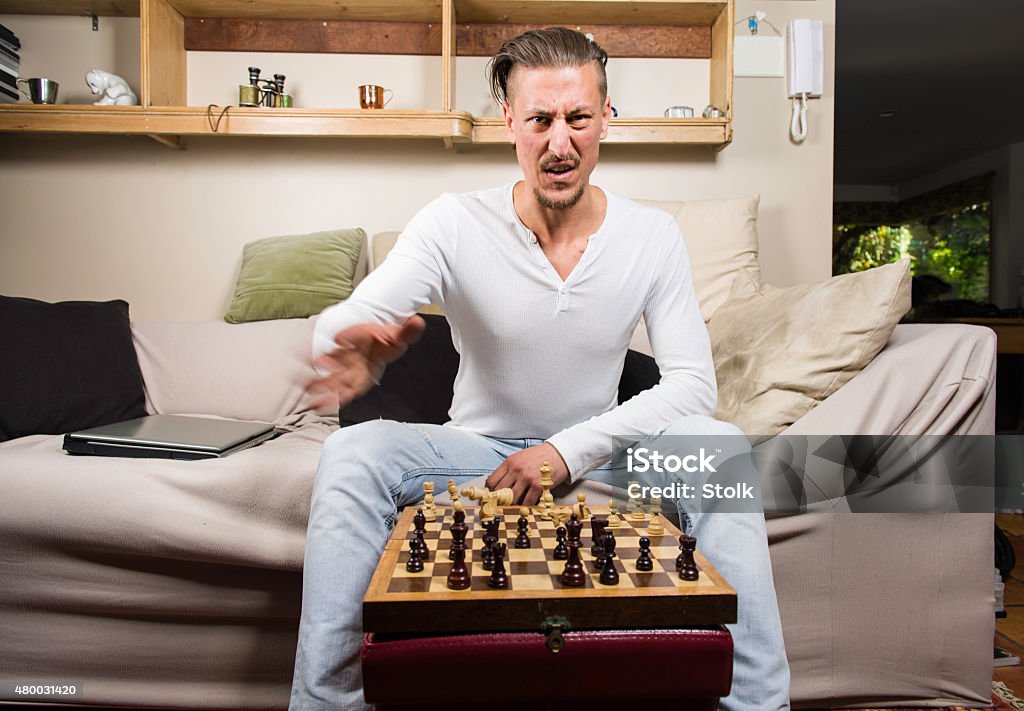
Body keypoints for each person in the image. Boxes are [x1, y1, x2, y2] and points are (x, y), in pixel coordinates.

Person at [291, 27, 790, 711]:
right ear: (509, 122)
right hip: (476, 453)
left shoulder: (652, 236)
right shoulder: (453, 222)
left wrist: (566, 450)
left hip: (598, 454)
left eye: (578, 118)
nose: (561, 143)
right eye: (541, 120)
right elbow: (346, 317)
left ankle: (760, 705)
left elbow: (693, 387)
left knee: (722, 448)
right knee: (350, 452)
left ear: (605, 118)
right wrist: (351, 340)